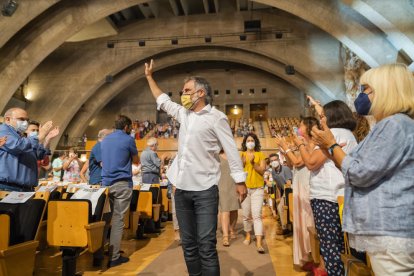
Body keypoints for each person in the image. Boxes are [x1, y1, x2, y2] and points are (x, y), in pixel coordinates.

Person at [145, 59, 247, 276]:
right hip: (181, 188)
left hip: (205, 189)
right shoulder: (184, 114)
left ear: (200, 93)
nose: (182, 94)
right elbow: (162, 100)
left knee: (206, 245)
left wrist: (239, 181)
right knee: (189, 245)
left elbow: (231, 150)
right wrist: (149, 77)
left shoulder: (216, 118)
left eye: (187, 90)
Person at [311, 63, 414, 276]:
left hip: (391, 228)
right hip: (388, 227)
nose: (361, 95)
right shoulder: (392, 124)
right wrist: (331, 151)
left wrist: (331, 143)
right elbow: (356, 167)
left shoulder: (394, 125)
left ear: (385, 91)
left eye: (366, 89)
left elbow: (360, 173)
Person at [295, 100, 357, 276]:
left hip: (327, 197)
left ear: (332, 116)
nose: (320, 120)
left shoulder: (334, 133)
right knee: (344, 249)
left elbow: (312, 162)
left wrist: (298, 144)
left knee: (332, 249)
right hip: (341, 195)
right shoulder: (349, 134)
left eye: (322, 116)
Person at [275, 122, 316, 269]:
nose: (299, 128)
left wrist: (286, 147)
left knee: (307, 218)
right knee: (300, 218)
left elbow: (298, 161)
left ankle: (313, 255)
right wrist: (284, 148)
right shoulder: (301, 143)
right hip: (299, 181)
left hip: (306, 182)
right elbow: (290, 163)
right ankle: (307, 255)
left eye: (302, 125)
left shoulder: (312, 142)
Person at [101, 115, 138, 268]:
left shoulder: (105, 139)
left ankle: (100, 253)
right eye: (130, 127)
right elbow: (136, 161)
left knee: (105, 220)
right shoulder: (128, 139)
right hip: (122, 183)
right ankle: (114, 257)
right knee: (118, 221)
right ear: (126, 127)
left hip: (106, 184)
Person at [0, 108, 59, 191]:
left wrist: (47, 139)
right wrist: (39, 137)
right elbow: (17, 146)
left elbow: (39, 155)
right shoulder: (2, 130)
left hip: (25, 188)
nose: (25, 123)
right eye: (21, 119)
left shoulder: (20, 137)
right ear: (8, 119)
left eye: (27, 120)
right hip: (9, 187)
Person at [240, 132, 266, 254]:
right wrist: (243, 162)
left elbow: (262, 171)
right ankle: (248, 235)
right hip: (245, 189)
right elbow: (238, 170)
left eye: (252, 140)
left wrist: (252, 163)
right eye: (248, 140)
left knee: (257, 215)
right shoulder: (241, 154)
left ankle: (259, 241)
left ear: (255, 142)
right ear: (245, 143)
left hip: (258, 189)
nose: (250, 142)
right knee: (246, 215)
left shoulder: (260, 155)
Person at [218, 150, 240, 247]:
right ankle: (225, 236)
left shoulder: (234, 155)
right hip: (221, 185)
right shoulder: (216, 156)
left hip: (234, 185)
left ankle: (232, 229)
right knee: (225, 210)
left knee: (234, 209)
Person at [268, 153, 293, 236]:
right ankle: (285, 227)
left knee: (281, 207)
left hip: (291, 191)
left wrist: (285, 197)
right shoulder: (273, 171)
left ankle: (285, 228)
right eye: (272, 161)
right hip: (283, 192)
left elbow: (289, 183)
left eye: (275, 160)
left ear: (279, 160)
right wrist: (278, 197)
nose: (274, 162)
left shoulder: (285, 169)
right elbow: (278, 185)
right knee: (279, 206)